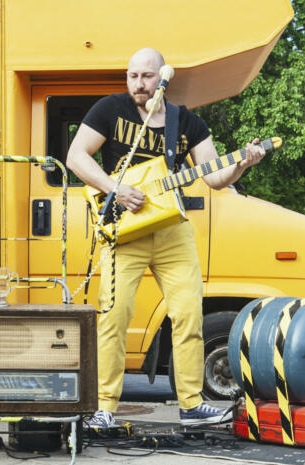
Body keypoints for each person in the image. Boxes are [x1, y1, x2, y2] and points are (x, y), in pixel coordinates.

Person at [66, 48, 266, 428]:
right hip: (125, 227)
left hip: (172, 229)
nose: (138, 84)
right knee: (115, 315)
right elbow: (77, 157)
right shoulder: (110, 109)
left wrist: (240, 164)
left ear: (163, 77)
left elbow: (213, 178)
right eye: (132, 76)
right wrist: (115, 189)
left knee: (188, 315)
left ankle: (191, 404)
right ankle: (104, 405)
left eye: (145, 76)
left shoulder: (185, 120)